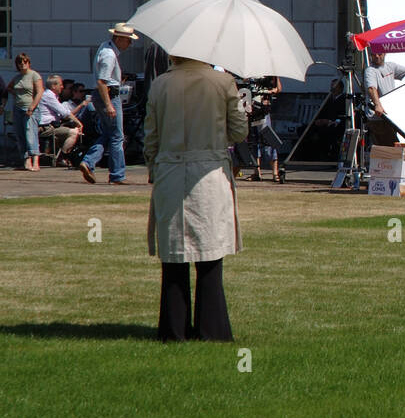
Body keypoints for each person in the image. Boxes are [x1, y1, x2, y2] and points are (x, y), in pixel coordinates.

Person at [144, 55, 249, 342]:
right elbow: (240, 132)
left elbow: (150, 136)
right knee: (210, 256)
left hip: (170, 171)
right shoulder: (223, 82)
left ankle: (173, 330)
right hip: (209, 172)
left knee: (174, 257)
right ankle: (212, 329)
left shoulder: (160, 84)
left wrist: (154, 166)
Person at [79, 22, 137, 185]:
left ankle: (89, 162)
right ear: (119, 38)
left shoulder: (106, 47)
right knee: (117, 136)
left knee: (109, 134)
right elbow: (102, 82)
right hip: (109, 95)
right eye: (128, 39)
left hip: (104, 94)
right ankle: (117, 175)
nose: (130, 43)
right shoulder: (110, 55)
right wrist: (109, 105)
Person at [363, 50, 405, 145]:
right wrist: (377, 105)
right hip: (378, 118)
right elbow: (371, 88)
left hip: (388, 117)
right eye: (374, 54)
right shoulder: (370, 70)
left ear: (385, 53)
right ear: (370, 56)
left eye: (380, 53)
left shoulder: (390, 66)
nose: (377, 56)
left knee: (392, 146)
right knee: (390, 148)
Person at [37, 74, 84, 166]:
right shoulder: (49, 96)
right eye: (60, 84)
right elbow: (64, 112)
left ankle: (62, 156)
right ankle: (62, 157)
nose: (62, 87)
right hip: (45, 127)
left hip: (51, 125)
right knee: (74, 132)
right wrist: (79, 123)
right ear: (54, 86)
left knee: (67, 129)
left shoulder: (52, 96)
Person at [7, 53, 44, 171]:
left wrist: (32, 107)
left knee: (30, 133)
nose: (22, 65)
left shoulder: (34, 75)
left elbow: (40, 92)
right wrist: (16, 95)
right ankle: (26, 159)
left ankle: (35, 161)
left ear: (29, 63)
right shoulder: (17, 77)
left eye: (25, 62)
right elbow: (9, 87)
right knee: (20, 134)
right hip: (18, 107)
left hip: (30, 108)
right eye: (20, 63)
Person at [245, 75, 283, 183]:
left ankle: (275, 173)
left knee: (268, 139)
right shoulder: (250, 73)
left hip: (263, 110)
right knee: (253, 140)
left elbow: (278, 89)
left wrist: (269, 91)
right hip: (251, 109)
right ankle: (257, 172)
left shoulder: (269, 73)